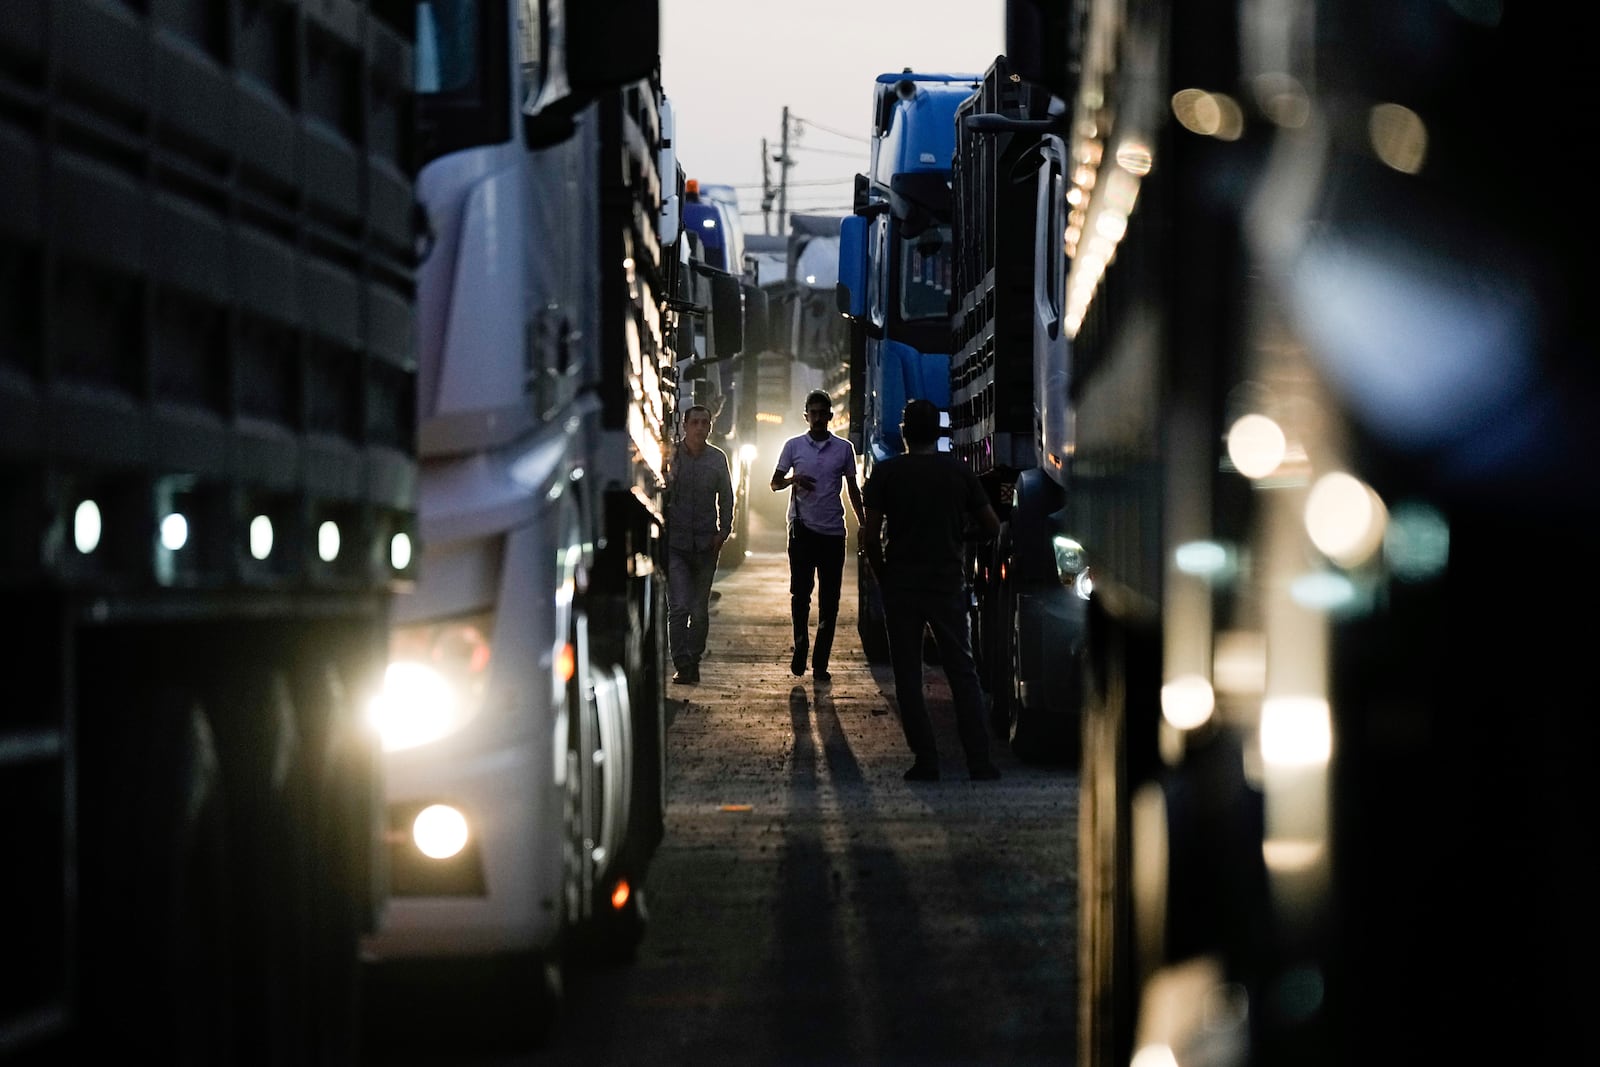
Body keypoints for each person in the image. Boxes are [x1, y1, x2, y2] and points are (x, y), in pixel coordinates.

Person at [860, 398, 1002, 781]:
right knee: (963, 672)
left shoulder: (886, 474)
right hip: (946, 585)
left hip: (902, 587)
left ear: (904, 432)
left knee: (908, 676)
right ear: (938, 433)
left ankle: (926, 760)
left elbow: (870, 537)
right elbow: (991, 526)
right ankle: (979, 761)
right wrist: (960, 538)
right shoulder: (959, 473)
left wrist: (883, 576)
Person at [770, 389, 864, 683]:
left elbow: (852, 488)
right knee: (800, 593)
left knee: (830, 599)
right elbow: (774, 483)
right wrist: (793, 479)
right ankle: (801, 644)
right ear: (806, 415)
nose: (819, 418)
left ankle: (821, 661)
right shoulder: (793, 446)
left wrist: (864, 524)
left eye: (824, 413)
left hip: (833, 531)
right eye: (814, 413)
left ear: (831, 416)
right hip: (801, 529)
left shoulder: (843, 449)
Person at [666, 404, 733, 685]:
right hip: (677, 545)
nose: (700, 428)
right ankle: (682, 663)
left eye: (705, 423)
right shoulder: (672, 457)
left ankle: (694, 658)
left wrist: (723, 532)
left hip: (706, 545)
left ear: (710, 427)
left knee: (699, 610)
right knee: (679, 607)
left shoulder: (717, 459)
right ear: (684, 425)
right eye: (695, 422)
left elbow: (727, 496)